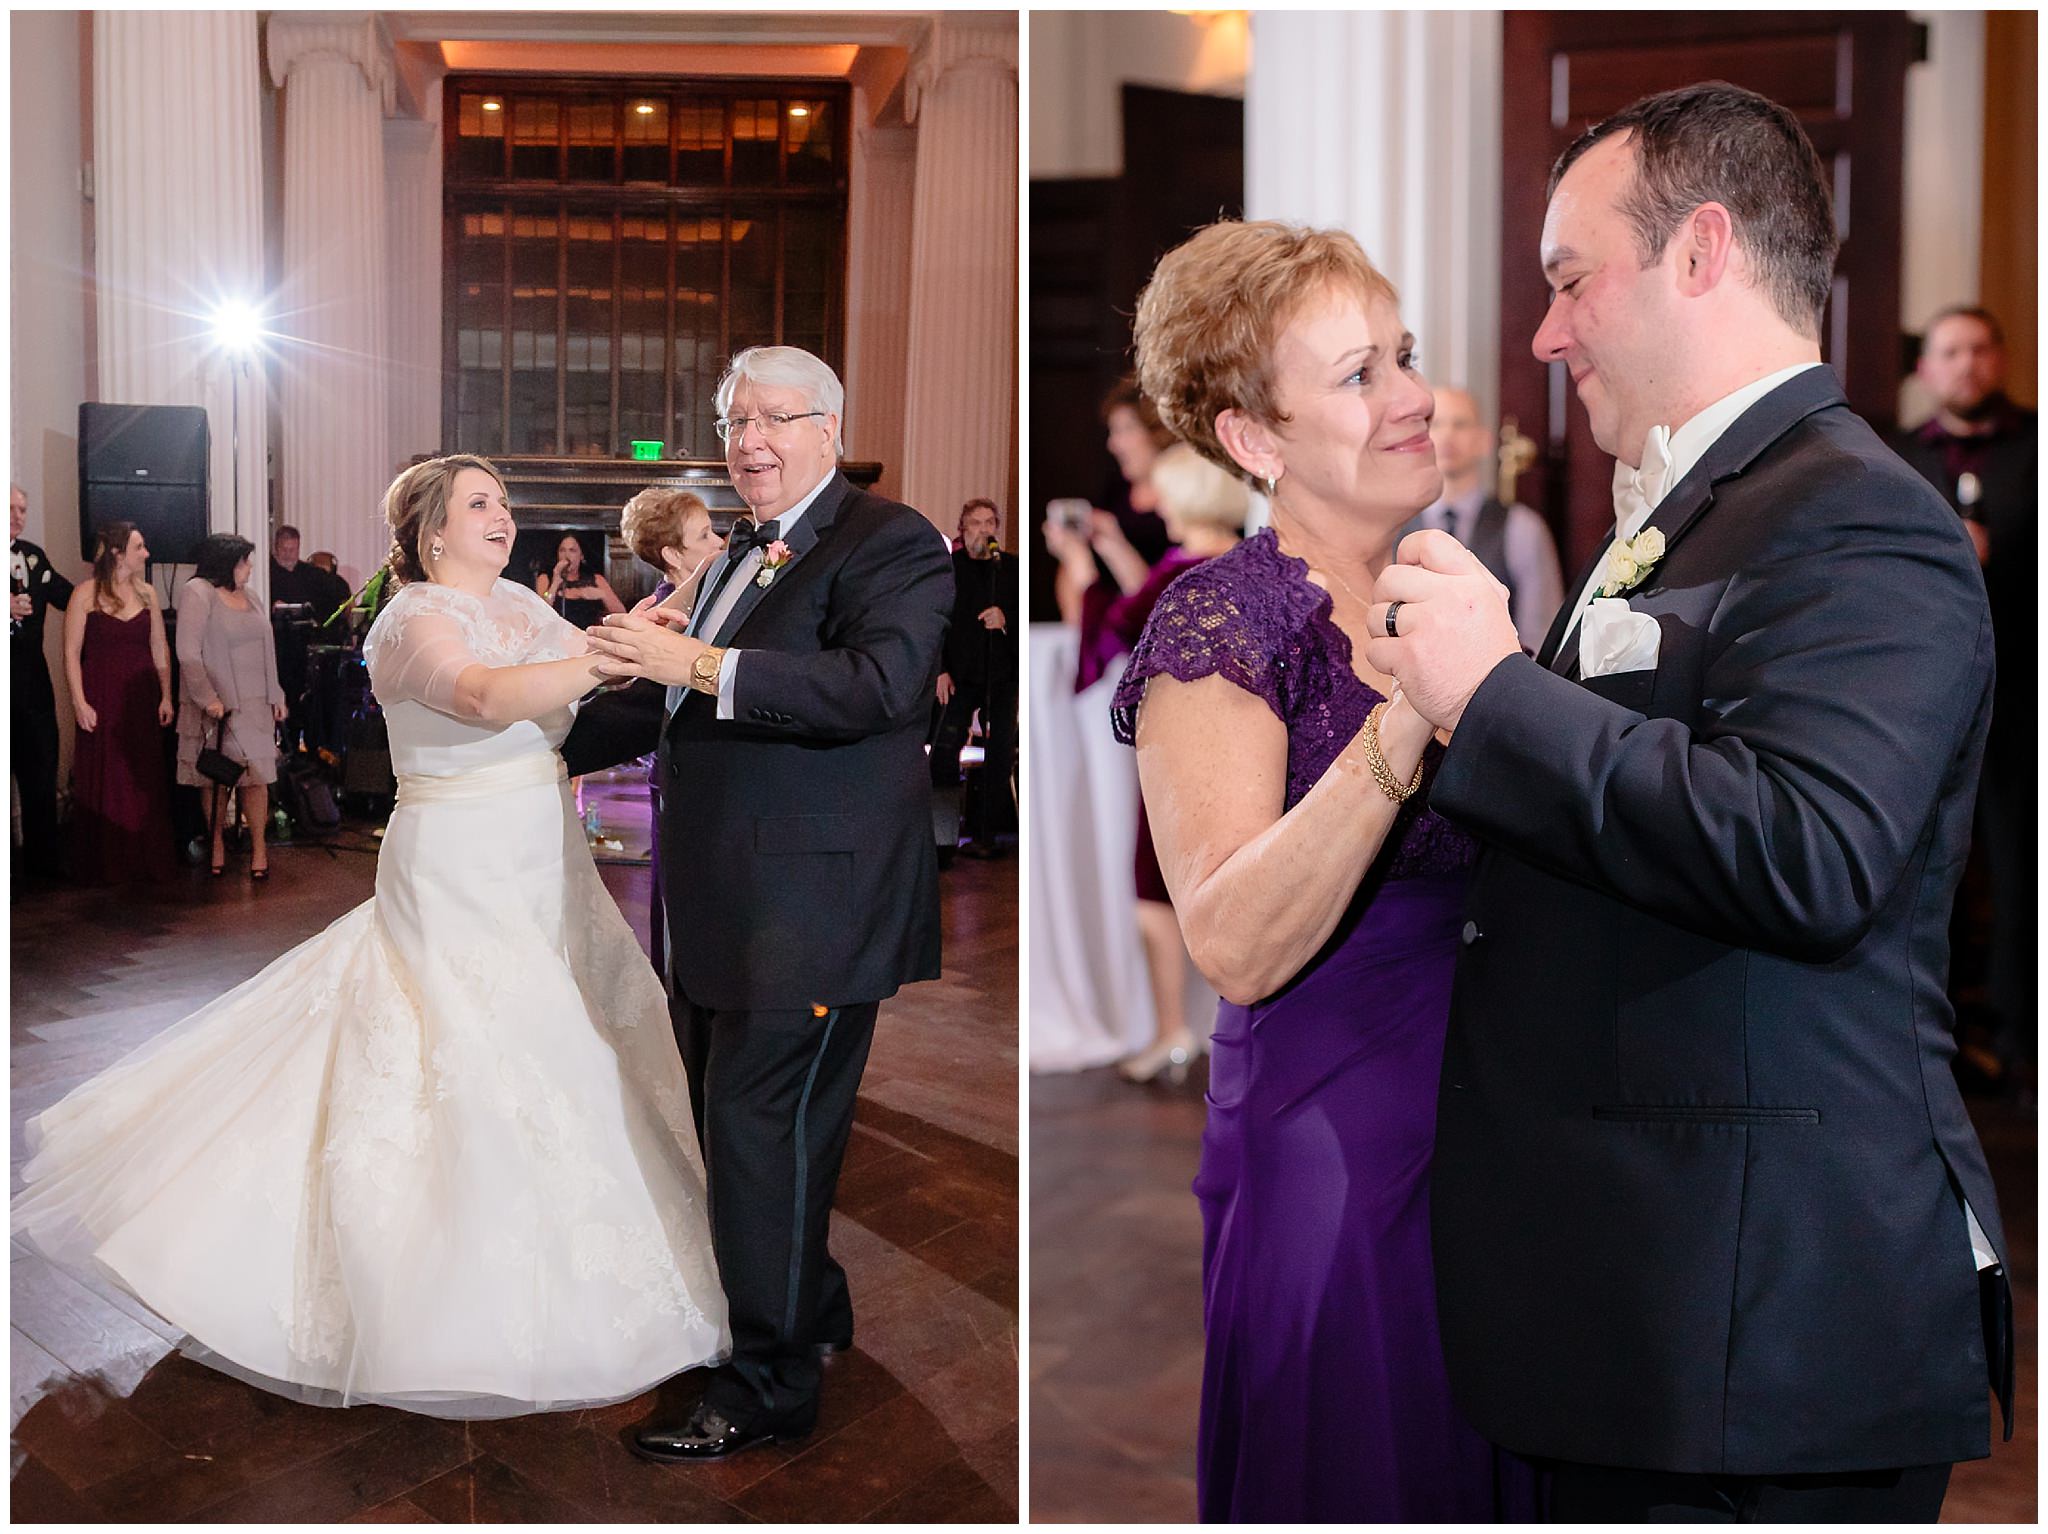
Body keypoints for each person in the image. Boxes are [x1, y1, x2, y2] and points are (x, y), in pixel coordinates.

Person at [1368, 83, 2010, 1521]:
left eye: (1568, 278)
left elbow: (1810, 847)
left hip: (1757, 1319)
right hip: (1646, 1295)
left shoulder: (1861, 512)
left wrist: (1496, 693)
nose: (1544, 329)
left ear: (1702, 250)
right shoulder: (1684, 507)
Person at [14, 453, 728, 1415]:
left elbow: (569, 681)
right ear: (432, 530)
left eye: (505, 502)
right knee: (467, 1045)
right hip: (456, 859)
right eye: (481, 503)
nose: (502, 516)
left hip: (539, 853)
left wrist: (626, 637)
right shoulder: (409, 617)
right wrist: (603, 657)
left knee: (571, 1039)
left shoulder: (520, 605)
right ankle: (444, 1298)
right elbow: (481, 696)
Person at [1113, 220, 1537, 1521]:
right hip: (1344, 1145)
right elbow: (1232, 939)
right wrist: (1404, 727)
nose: (1414, 397)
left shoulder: (1439, 585)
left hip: (1501, 1130)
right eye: (1361, 374)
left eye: (1404, 357)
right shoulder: (1223, 618)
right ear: (1256, 437)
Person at [567, 345, 952, 1462]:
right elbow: (673, 708)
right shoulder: (739, 549)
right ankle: (810, 1308)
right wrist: (526, 735)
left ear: (831, 426)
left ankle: (768, 1383)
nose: (750, 440)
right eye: (737, 419)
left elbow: (875, 686)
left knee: (755, 1129)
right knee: (746, 1130)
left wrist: (689, 660)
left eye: (777, 418)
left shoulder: (893, 540)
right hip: (726, 903)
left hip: (813, 903)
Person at [1048, 445, 1247, 1084]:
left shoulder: (1184, 571)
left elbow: (1109, 630)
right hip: (1242, 747)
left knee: (1153, 893)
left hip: (1183, 752)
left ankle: (1172, 1031)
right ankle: (1226, 1037)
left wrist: (1077, 567)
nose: (1153, 502)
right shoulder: (1241, 563)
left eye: (1162, 491)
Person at [1893, 306, 2036, 1100]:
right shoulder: (1897, 456)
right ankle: (1925, 1043)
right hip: (1925, 698)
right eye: (1951, 351)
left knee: (2021, 869)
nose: (1968, 364)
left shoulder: (2036, 446)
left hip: (2022, 695)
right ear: (1927, 371)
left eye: (1982, 348)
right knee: (1926, 865)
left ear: (2002, 358)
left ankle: (2020, 1043)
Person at [617, 485, 729, 977]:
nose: (721, 542)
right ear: (672, 555)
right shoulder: (660, 618)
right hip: (682, 783)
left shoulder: (718, 600)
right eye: (705, 535)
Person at [1399, 385, 1564, 650]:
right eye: (1436, 424)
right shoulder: (1393, 526)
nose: (1447, 436)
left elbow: (1541, 635)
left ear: (1484, 441)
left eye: (1460, 424)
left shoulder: (1522, 528)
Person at [61, 521, 176, 885]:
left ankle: (143, 859)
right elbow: (70, 652)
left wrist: (166, 694)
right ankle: (105, 862)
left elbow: (160, 648)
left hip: (139, 698)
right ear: (117, 553)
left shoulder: (148, 594)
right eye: (139, 547)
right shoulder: (85, 594)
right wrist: (79, 701)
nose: (146, 553)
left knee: (141, 775)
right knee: (107, 776)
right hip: (101, 693)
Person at [176, 535, 287, 879]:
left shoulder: (251, 597)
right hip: (219, 703)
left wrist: (276, 695)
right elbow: (188, 653)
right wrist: (208, 697)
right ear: (225, 563)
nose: (250, 567)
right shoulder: (199, 592)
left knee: (257, 778)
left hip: (254, 702)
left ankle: (259, 849)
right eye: (244, 561)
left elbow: (267, 650)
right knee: (216, 779)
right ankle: (218, 844)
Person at [932, 497, 1018, 855]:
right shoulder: (949, 570)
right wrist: (940, 670)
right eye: (975, 524)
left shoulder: (1010, 570)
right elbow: (935, 622)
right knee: (945, 749)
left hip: (1000, 675)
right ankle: (944, 837)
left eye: (989, 523)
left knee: (999, 752)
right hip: (959, 674)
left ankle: (987, 834)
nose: (983, 530)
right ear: (962, 531)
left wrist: (1006, 621)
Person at [12, 483, 75, 885]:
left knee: (40, 772)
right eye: (11, 508)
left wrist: (106, 590)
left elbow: (67, 595)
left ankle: (43, 866)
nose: (18, 515)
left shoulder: (33, 556)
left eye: (22, 508)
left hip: (32, 686)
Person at [536, 532, 625, 625]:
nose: (566, 555)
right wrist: (554, 584)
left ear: (581, 555)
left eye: (572, 550)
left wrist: (602, 595)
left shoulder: (596, 579)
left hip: (588, 635)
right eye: (562, 550)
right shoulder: (545, 579)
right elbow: (540, 614)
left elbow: (621, 613)